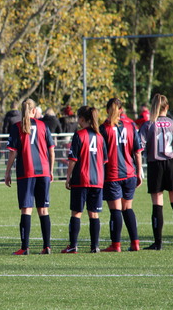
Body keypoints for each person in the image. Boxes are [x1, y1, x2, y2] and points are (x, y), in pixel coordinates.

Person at [5, 98, 55, 255]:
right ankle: (46, 246)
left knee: (26, 210)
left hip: (26, 172)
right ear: (34, 111)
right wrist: (51, 170)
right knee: (43, 210)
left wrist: (7, 172)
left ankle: (25, 247)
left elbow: (13, 152)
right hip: (44, 171)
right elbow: (51, 150)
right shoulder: (43, 126)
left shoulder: (17, 127)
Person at [139, 94, 173, 250]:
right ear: (167, 108)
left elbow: (140, 145)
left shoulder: (149, 125)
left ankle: (158, 243)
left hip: (156, 165)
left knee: (157, 205)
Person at [99, 98, 143, 252]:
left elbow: (100, 155)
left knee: (116, 210)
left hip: (112, 175)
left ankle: (116, 245)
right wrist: (139, 172)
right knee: (127, 208)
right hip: (130, 173)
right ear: (121, 110)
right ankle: (135, 243)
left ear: (107, 110)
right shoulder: (131, 125)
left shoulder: (104, 128)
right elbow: (137, 152)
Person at [62, 106, 107, 254]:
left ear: (82, 119)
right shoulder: (100, 137)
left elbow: (73, 159)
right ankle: (95, 246)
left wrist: (68, 176)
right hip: (97, 180)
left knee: (76, 213)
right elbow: (104, 160)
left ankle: (73, 246)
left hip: (81, 178)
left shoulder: (79, 135)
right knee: (94, 214)